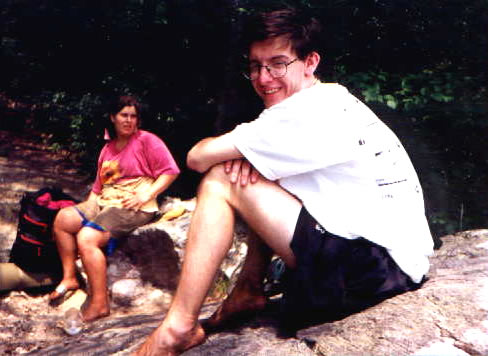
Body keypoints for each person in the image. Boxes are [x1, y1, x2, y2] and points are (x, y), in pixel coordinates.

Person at [135, 8, 433, 355]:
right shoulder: (330, 99)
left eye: (278, 63)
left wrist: (241, 159)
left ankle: (179, 327)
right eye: (255, 66)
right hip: (392, 264)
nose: (264, 78)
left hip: (371, 274)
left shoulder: (300, 116)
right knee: (251, 176)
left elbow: (197, 158)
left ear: (310, 62)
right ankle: (247, 289)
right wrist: (251, 161)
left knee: (221, 180)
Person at [48, 95, 180, 322]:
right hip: (106, 201)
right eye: (124, 115)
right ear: (113, 118)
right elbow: (99, 188)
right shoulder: (107, 149)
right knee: (64, 218)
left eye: (133, 116)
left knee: (87, 237)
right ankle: (70, 277)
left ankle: (99, 303)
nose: (129, 120)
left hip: (135, 205)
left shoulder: (147, 140)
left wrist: (148, 193)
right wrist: (88, 206)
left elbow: (170, 171)